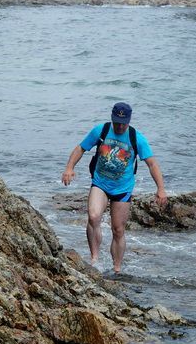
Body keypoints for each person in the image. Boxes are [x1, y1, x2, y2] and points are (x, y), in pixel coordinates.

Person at [62, 102, 168, 273]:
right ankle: (95, 259)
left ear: (129, 120)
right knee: (94, 216)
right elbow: (80, 149)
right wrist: (69, 168)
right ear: (112, 118)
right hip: (100, 183)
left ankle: (117, 268)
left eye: (123, 123)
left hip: (123, 189)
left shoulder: (136, 138)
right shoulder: (101, 130)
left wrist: (160, 189)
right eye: (116, 122)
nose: (119, 126)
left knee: (118, 229)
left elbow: (152, 163)